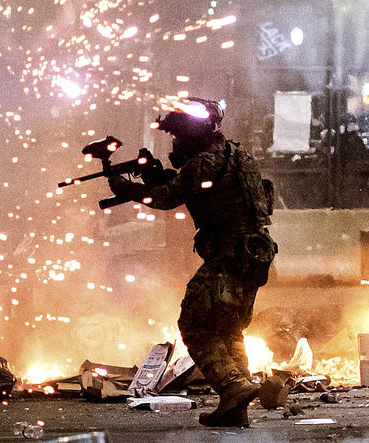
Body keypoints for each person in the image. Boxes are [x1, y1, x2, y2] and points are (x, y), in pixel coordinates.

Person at [107, 98, 276, 428]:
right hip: (254, 253)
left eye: (179, 135)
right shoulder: (237, 155)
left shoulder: (202, 164)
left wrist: (129, 190)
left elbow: (168, 197)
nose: (176, 143)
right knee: (228, 329)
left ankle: (233, 386)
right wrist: (158, 177)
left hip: (228, 254)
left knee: (195, 325)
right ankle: (236, 406)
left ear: (192, 133)